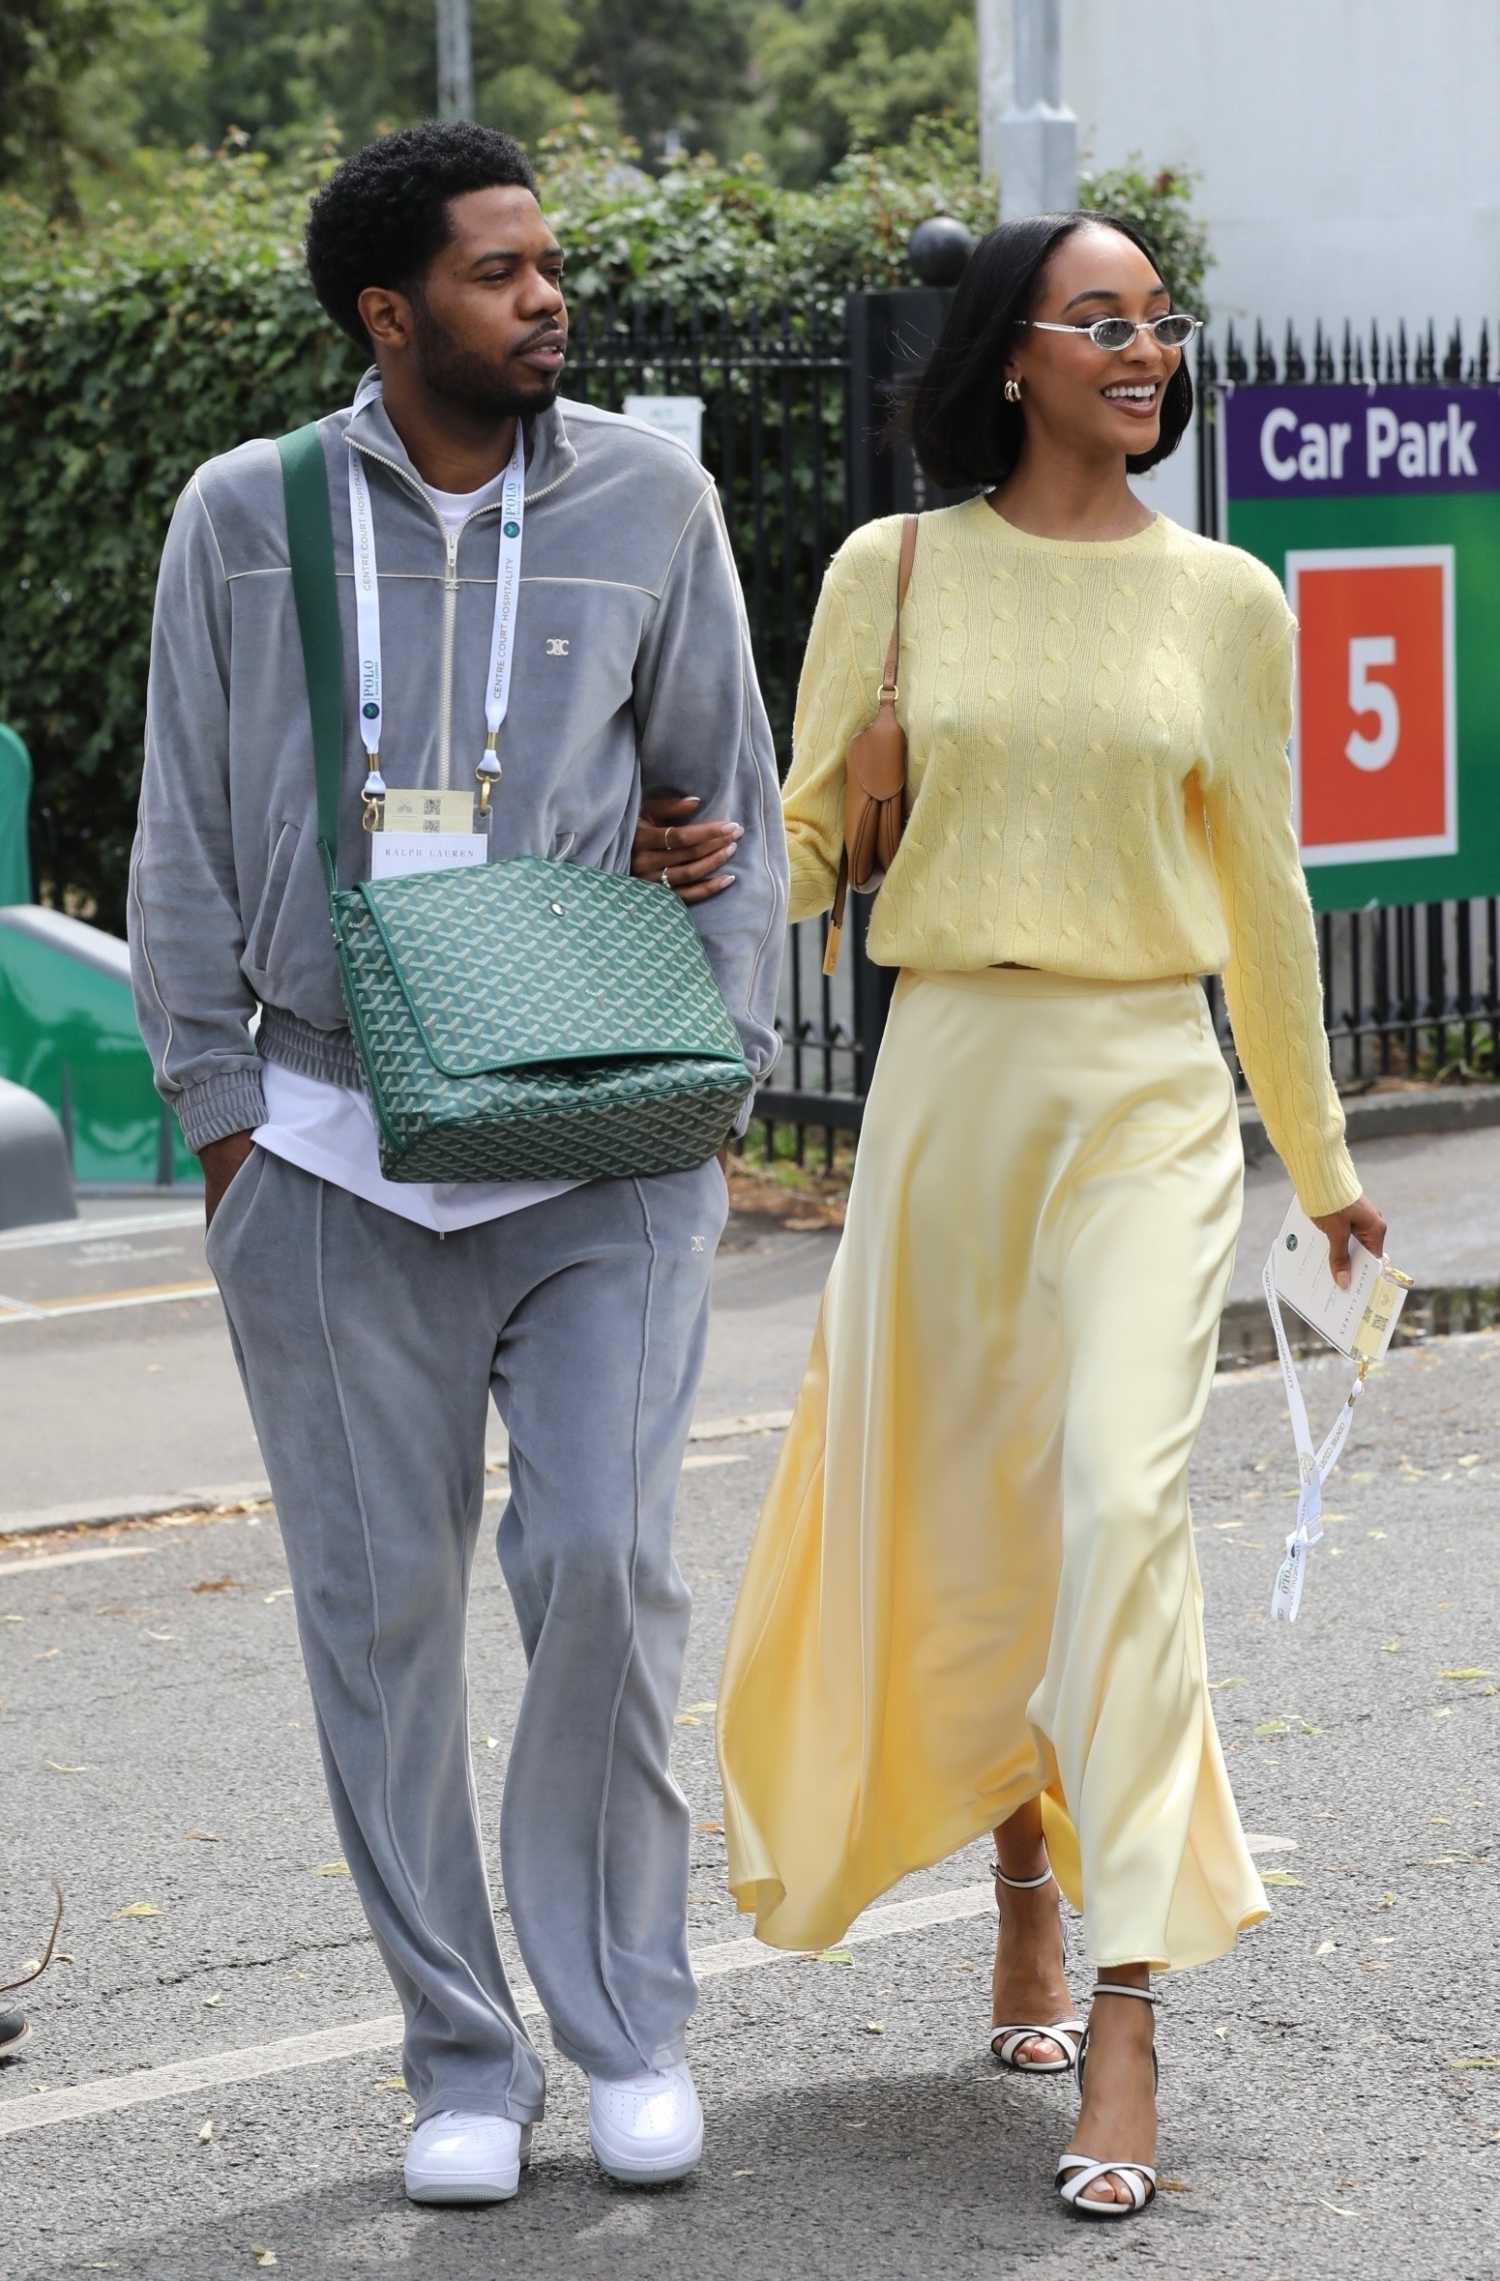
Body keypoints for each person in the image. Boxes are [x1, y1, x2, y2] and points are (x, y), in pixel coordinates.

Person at [129, 120, 787, 2205]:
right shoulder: (241, 517)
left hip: (599, 1136)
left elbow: (728, 804)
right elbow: (176, 834)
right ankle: (459, 2055)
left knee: (605, 1563)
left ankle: (630, 2023)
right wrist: (222, 1123)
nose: (547, 298)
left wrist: (721, 1079)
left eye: (550, 264)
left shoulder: (652, 498)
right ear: (388, 310)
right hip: (327, 1141)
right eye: (499, 273)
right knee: (379, 1616)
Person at [713, 214, 1387, 2221]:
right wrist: (817, 804)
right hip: (949, 1092)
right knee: (978, 1504)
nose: (1144, 347)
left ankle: (1129, 1996)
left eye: (1159, 320)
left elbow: (1264, 897)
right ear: (1013, 350)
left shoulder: (1226, 596)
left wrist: (1330, 1170)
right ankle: (1018, 1860)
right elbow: (807, 867)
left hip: (1151, 1100)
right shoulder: (892, 572)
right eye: (1102, 318)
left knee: (1117, 1503)